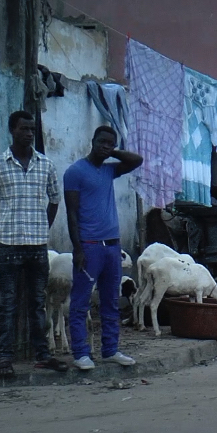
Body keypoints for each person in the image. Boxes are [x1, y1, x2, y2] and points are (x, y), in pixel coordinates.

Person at [0, 111, 68, 377]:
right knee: (7, 303)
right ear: (12, 130)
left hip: (38, 246)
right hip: (8, 245)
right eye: (23, 129)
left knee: (37, 302)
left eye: (32, 129)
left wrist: (44, 227)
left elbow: (55, 199)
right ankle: (4, 358)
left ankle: (42, 355)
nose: (29, 133)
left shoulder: (46, 165)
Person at [64, 125, 143, 371]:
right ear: (92, 140)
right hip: (89, 246)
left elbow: (137, 160)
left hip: (112, 246)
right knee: (81, 301)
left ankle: (110, 350)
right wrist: (77, 249)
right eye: (101, 141)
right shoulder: (75, 172)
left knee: (111, 300)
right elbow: (72, 213)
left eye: (110, 143)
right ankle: (81, 353)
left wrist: (113, 151)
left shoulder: (109, 170)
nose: (105, 146)